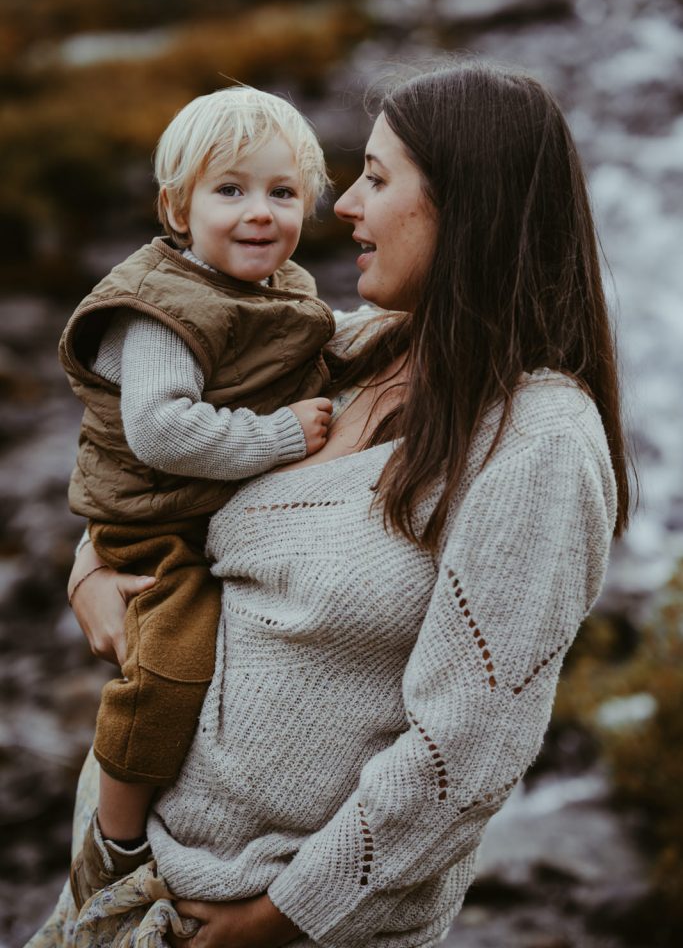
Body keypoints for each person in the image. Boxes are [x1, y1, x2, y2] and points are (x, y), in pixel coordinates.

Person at [32, 59, 631, 948]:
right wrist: (91, 573)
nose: (341, 205)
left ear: (468, 208)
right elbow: (146, 467)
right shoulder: (338, 348)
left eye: (377, 180)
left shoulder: (537, 445)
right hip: (130, 878)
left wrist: (277, 919)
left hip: (275, 926)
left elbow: (461, 755)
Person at [56, 85, 336, 909]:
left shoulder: (272, 285)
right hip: (153, 529)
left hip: (196, 512)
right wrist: (281, 439)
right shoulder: (159, 314)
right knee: (174, 668)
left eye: (282, 193)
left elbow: (311, 343)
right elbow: (160, 431)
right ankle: (115, 838)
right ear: (176, 210)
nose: (260, 212)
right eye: (230, 190)